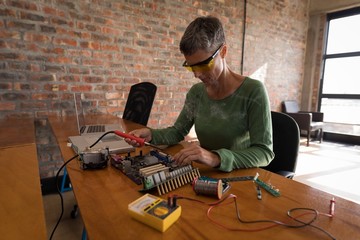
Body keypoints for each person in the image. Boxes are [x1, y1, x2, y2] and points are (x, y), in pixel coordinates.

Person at [125, 16, 274, 172]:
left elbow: (264, 153)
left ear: (223, 51)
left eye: (203, 65)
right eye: (191, 67)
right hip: (206, 174)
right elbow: (177, 132)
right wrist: (151, 135)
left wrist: (215, 158)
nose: (197, 74)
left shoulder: (253, 91)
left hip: (241, 177)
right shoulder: (196, 93)